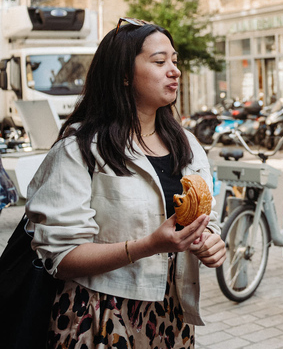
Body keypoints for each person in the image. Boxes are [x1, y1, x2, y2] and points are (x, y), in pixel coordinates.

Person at [25, 18, 226, 349]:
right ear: (123, 74)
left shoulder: (186, 144)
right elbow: (60, 256)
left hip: (171, 318)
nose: (174, 70)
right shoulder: (79, 149)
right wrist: (147, 246)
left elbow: (206, 219)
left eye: (174, 61)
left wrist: (210, 243)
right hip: (99, 316)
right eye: (160, 62)